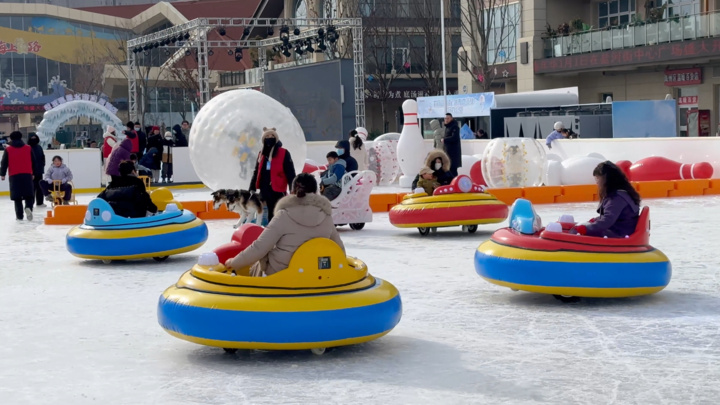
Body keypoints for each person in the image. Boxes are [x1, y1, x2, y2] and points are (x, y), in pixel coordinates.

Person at [225, 173, 345, 277]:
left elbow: (260, 247)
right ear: (316, 192)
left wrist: (234, 262)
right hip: (315, 274)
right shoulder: (326, 217)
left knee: (259, 265)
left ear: (292, 192)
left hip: (281, 276)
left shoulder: (284, 215)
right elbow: (339, 249)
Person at [570, 161, 641, 238]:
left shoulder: (616, 198)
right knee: (578, 228)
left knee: (576, 231)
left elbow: (607, 220)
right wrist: (594, 220)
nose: (597, 182)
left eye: (597, 178)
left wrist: (586, 229)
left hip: (618, 233)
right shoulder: (622, 194)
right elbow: (616, 217)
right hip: (621, 230)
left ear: (606, 179)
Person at [249, 127, 296, 222]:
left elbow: (290, 172)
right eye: (267, 136)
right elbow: (257, 171)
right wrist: (252, 187)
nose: (269, 138)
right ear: (263, 139)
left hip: (277, 189)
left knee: (276, 213)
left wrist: (293, 188)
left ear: (276, 138)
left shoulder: (284, 153)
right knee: (264, 214)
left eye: (272, 136)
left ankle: (278, 229)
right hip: (264, 188)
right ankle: (267, 229)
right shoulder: (261, 154)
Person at [0, 131, 37, 221]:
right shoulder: (28, 148)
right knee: (29, 195)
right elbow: (34, 161)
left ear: (11, 138)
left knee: (17, 197)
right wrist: (33, 173)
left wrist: (2, 174)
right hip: (27, 174)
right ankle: (28, 207)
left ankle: (19, 216)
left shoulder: (8, 149)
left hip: (14, 175)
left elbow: (4, 163)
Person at [27, 133, 46, 207]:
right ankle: (31, 202)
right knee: (32, 188)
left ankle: (40, 202)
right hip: (31, 172)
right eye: (32, 138)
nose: (33, 139)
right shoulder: (28, 148)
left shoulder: (39, 147)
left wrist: (42, 164)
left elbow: (42, 157)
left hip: (39, 171)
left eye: (34, 137)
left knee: (40, 187)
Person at [442, 113, 461, 177]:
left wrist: (445, 139)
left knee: (453, 170)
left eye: (448, 118)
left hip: (453, 153)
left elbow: (454, 137)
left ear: (451, 119)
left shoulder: (455, 127)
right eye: (445, 118)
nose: (446, 120)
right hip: (447, 152)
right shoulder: (447, 127)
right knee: (448, 170)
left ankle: (454, 181)